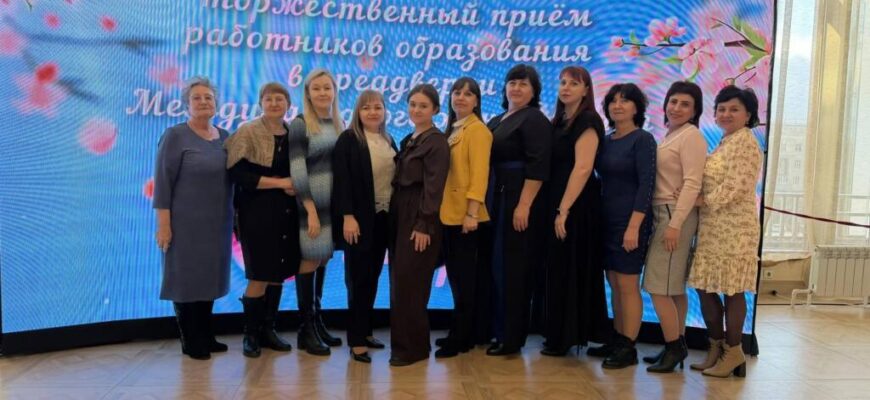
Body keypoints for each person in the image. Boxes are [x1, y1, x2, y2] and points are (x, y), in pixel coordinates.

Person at [153, 76, 233, 360]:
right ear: (186, 104)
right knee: (185, 282)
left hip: (217, 225)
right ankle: (190, 340)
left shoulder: (225, 137)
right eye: (196, 98)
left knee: (208, 279)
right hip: (184, 226)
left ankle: (206, 335)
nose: (203, 102)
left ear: (216, 103)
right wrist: (164, 226)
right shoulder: (175, 136)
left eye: (208, 97)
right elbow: (163, 184)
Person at [688, 85, 762, 378]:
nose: (726, 114)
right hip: (712, 227)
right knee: (705, 287)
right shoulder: (725, 141)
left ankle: (733, 351)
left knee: (732, 290)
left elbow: (736, 186)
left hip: (735, 229)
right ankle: (716, 347)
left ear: (748, 114)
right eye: (721, 109)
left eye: (734, 109)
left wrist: (700, 200)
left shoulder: (745, 141)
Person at [225, 82, 300, 358]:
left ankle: (269, 330)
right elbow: (237, 174)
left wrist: (295, 186)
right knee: (259, 274)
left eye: (280, 99)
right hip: (255, 213)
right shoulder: (248, 131)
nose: (275, 104)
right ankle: (251, 334)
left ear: (288, 104)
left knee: (278, 274)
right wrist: (280, 183)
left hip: (287, 213)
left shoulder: (293, 134)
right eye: (269, 99)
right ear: (261, 103)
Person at [540, 66, 609, 356]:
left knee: (571, 267)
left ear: (586, 90)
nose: (566, 88)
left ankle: (568, 336)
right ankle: (557, 333)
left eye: (574, 83)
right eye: (563, 82)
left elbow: (583, 168)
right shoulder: (559, 121)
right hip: (557, 201)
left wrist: (564, 209)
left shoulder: (588, 120)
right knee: (557, 268)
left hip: (576, 205)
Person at [485, 64, 552, 356]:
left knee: (513, 269)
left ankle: (511, 338)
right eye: (512, 82)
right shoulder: (498, 119)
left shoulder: (534, 119)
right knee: (497, 267)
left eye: (524, 84)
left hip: (517, 201)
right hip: (497, 198)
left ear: (534, 91)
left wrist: (524, 205)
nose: (516, 88)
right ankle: (497, 330)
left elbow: (538, 166)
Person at [641, 81, 707, 373]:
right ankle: (676, 343)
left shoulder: (691, 136)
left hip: (673, 215)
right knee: (673, 288)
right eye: (673, 101)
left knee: (658, 286)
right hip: (665, 212)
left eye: (685, 104)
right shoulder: (671, 135)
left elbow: (693, 182)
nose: (677, 108)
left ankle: (674, 347)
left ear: (695, 111)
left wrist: (676, 224)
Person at [592, 83, 656, 369]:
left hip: (630, 221)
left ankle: (629, 346)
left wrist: (634, 227)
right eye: (613, 101)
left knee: (628, 284)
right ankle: (617, 338)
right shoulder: (606, 140)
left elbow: (646, 185)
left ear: (637, 108)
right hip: (606, 219)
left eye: (625, 101)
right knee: (614, 281)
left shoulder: (643, 139)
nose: (617, 106)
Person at [332, 90, 397, 363]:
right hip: (357, 221)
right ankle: (356, 341)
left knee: (372, 278)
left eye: (377, 107)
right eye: (366, 108)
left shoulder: (388, 139)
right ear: (358, 112)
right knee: (358, 280)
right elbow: (342, 181)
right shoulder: (349, 139)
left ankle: (366, 331)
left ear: (385, 111)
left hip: (383, 219)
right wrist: (347, 216)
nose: (372, 112)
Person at [388, 84, 450, 366]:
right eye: (412, 104)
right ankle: (413, 345)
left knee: (411, 283)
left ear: (435, 109)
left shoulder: (437, 142)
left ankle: (410, 349)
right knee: (400, 281)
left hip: (419, 215)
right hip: (400, 212)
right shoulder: (410, 138)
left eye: (423, 105)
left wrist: (424, 224)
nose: (416, 110)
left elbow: (434, 187)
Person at [434, 77, 493, 358]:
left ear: (477, 101)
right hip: (449, 215)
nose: (461, 98)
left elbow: (480, 176)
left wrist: (472, 212)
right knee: (458, 280)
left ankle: (461, 338)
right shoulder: (454, 129)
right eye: (457, 92)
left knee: (465, 282)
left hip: (466, 218)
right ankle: (461, 334)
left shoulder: (478, 130)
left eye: (468, 94)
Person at [288, 68, 345, 355]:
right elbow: (297, 170)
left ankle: (317, 322)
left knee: (322, 258)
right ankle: (305, 330)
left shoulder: (337, 123)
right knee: (309, 260)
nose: (323, 93)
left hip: (332, 205)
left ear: (334, 91)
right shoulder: (300, 124)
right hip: (311, 205)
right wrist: (309, 208)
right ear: (308, 94)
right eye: (317, 88)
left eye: (327, 87)